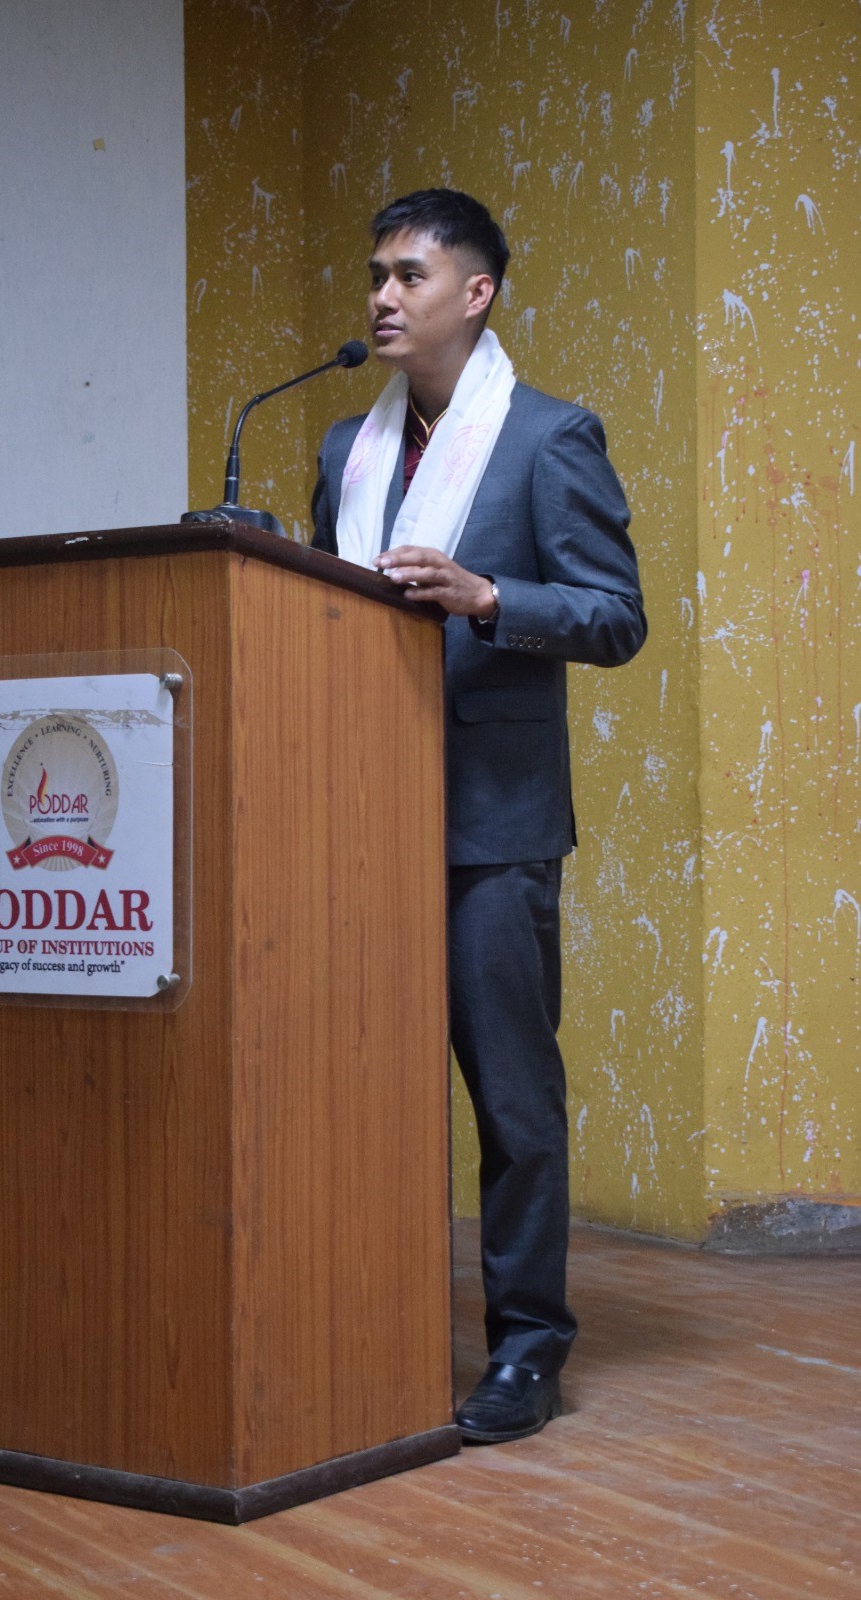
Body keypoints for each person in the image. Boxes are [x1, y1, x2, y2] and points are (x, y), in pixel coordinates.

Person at [311, 188, 646, 1444]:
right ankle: (364, 1318)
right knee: (359, 1090)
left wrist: (488, 594)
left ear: (476, 292)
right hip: (353, 811)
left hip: (491, 825)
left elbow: (613, 616)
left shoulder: (549, 438)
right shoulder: (345, 447)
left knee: (511, 1101)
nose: (383, 297)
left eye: (409, 274)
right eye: (375, 275)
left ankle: (527, 1347)